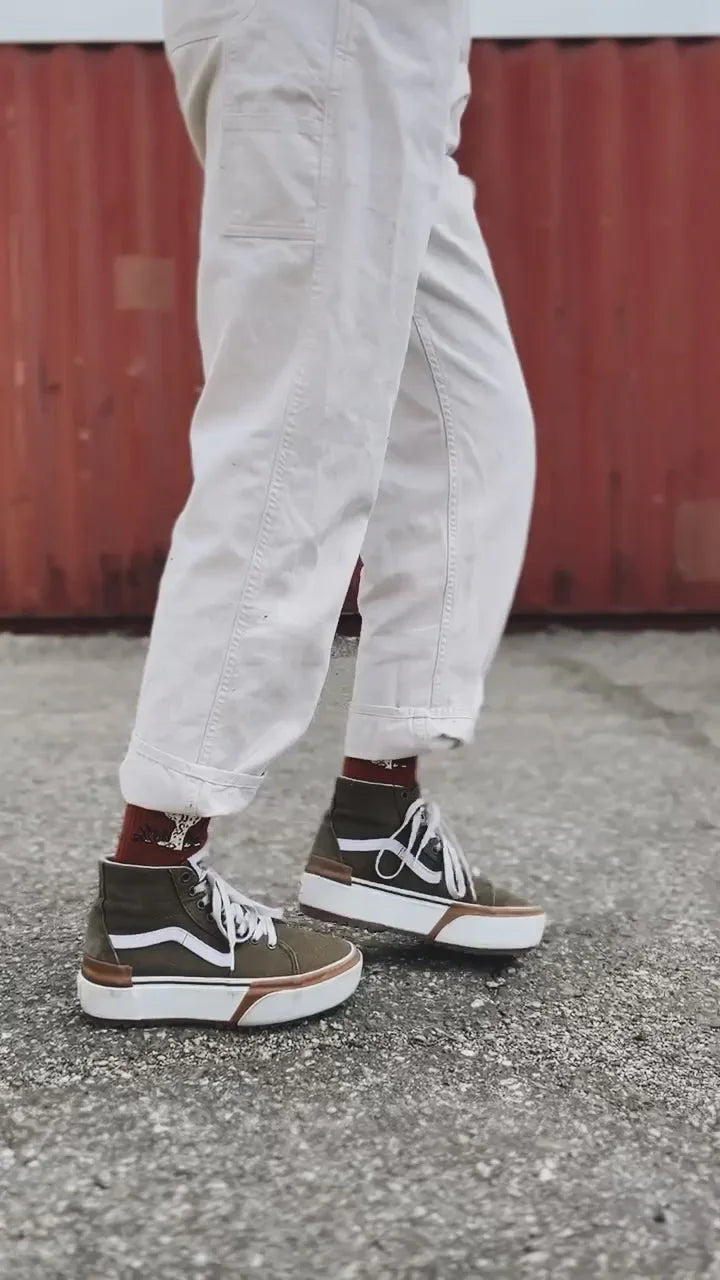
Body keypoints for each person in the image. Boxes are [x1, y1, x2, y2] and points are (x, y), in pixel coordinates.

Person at [77, 0, 544, 1029]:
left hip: (405, 50)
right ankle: (155, 885)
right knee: (298, 427)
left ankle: (379, 820)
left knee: (471, 425)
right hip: (326, 24)